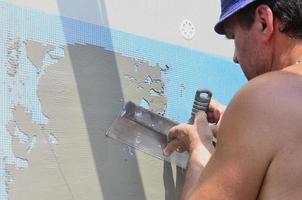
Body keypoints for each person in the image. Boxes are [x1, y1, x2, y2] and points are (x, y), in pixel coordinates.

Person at [163, 0, 302, 199]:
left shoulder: (263, 97)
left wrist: (200, 148)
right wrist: (239, 126)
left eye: (233, 36)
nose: (235, 57)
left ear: (264, 21)